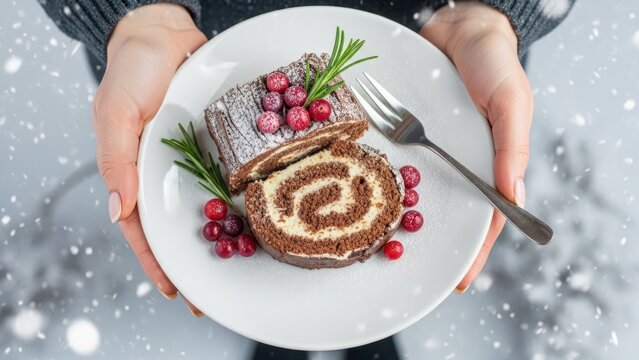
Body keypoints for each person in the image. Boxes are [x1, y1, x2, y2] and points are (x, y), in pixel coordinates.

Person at [39, 1, 574, 358]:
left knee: (396, 297)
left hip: (443, 40)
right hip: (181, 51)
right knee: (261, 309)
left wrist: (486, 12)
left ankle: (372, 335)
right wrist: (135, 15)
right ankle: (278, 340)